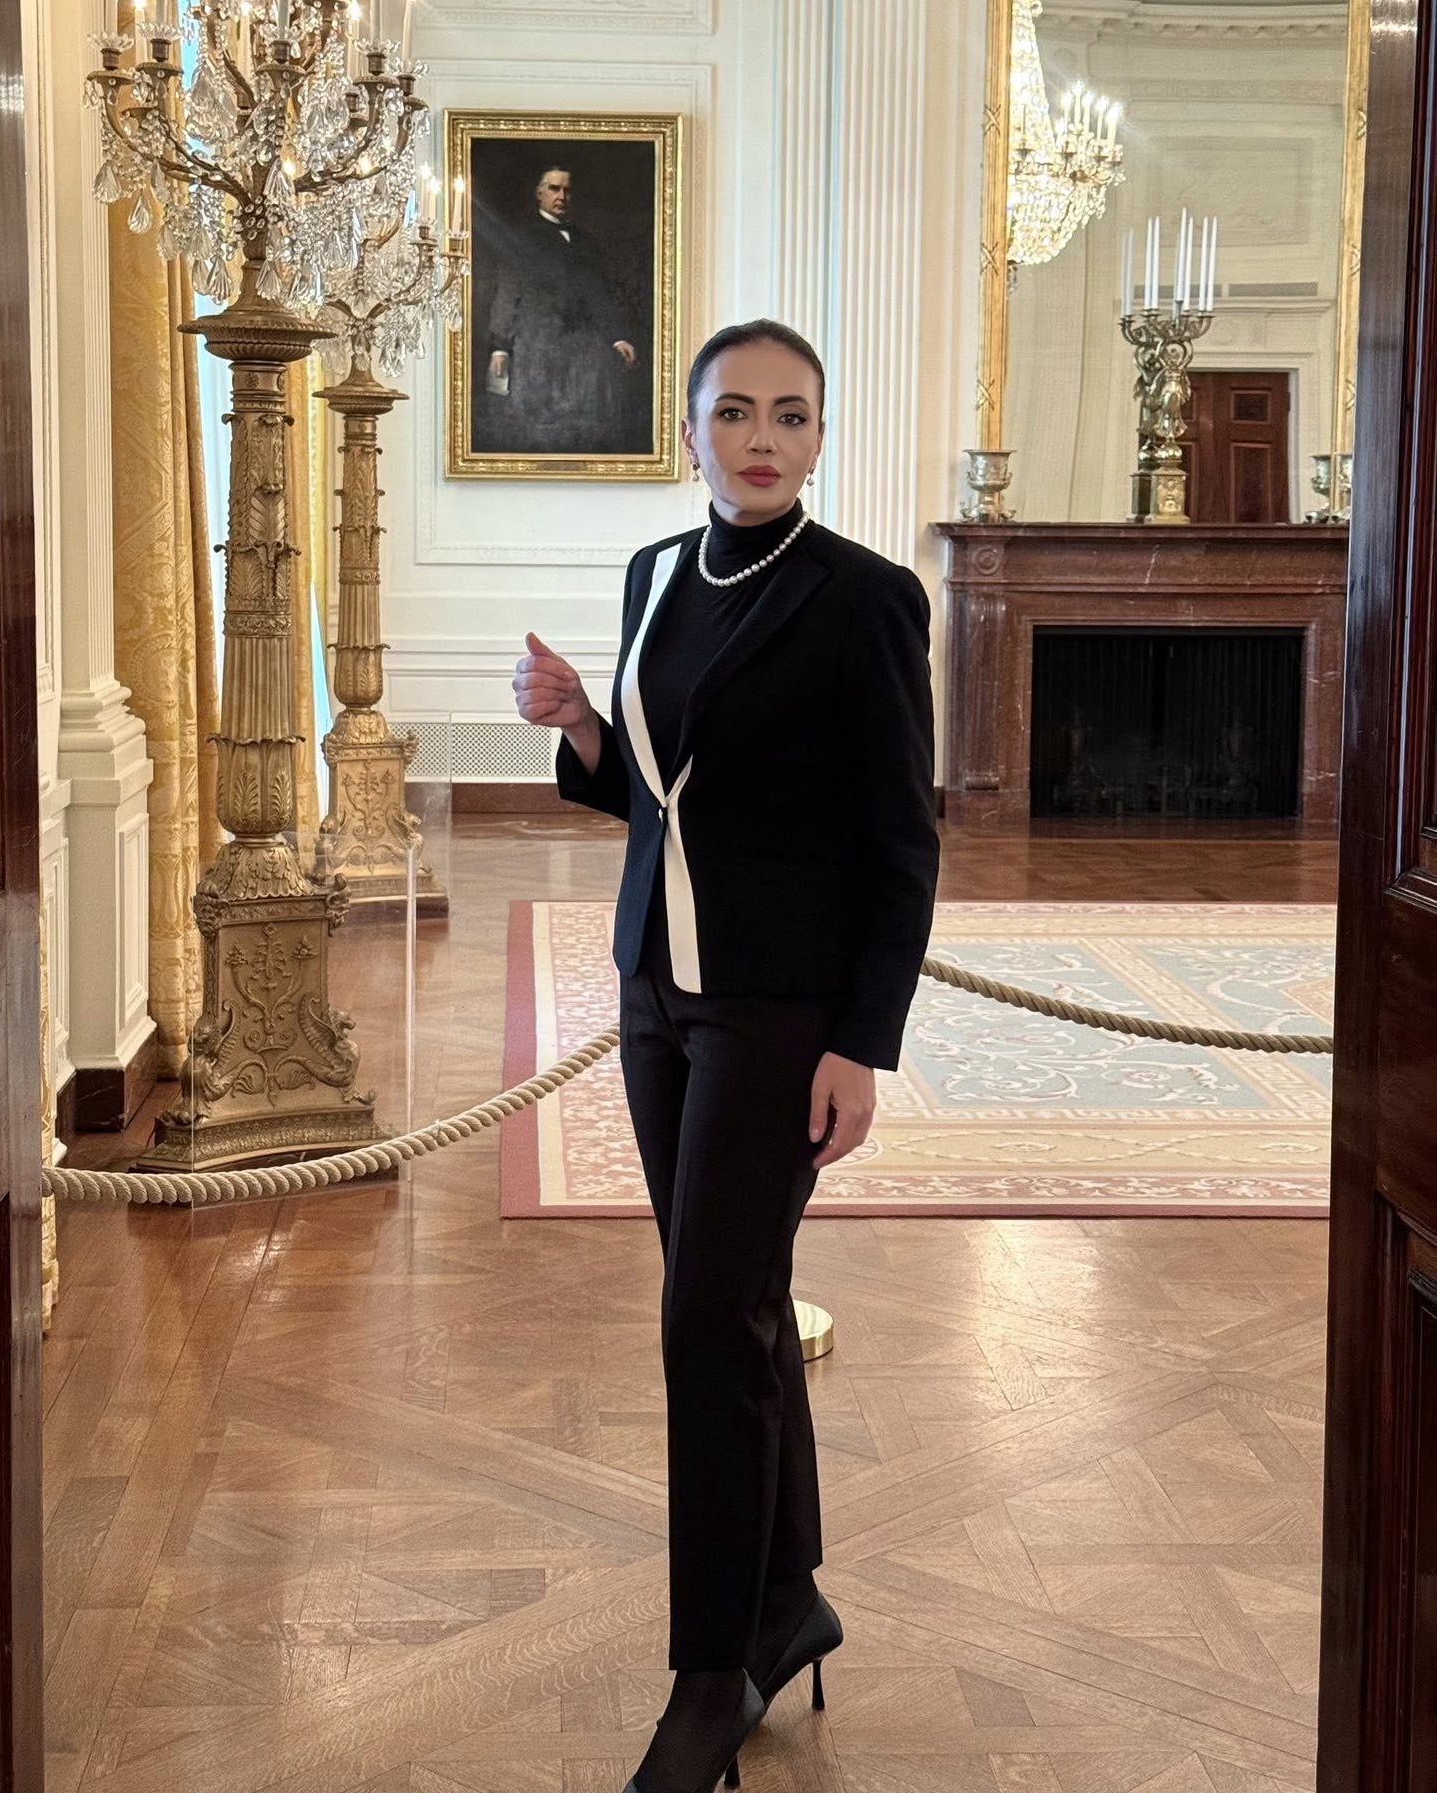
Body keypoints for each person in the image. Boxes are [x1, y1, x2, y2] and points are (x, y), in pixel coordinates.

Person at [512, 318, 939, 1793]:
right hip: (656, 993)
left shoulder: (865, 598)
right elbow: (656, 798)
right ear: (688, 430)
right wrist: (581, 723)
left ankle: (710, 1676)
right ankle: (784, 1599)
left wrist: (861, 1043)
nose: (763, 438)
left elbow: (902, 840)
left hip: (778, 1012)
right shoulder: (654, 576)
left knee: (704, 1318)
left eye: (792, 415)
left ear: (820, 436)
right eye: (736, 412)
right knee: (738, 1303)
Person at [480, 164, 640, 454]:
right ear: (539, 193)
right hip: (535, 349)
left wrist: (618, 337)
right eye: (554, 189)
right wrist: (499, 347)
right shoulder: (521, 238)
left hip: (581, 353)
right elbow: (508, 292)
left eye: (567, 190)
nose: (561, 196)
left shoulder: (586, 242)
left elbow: (601, 295)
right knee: (536, 426)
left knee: (583, 425)